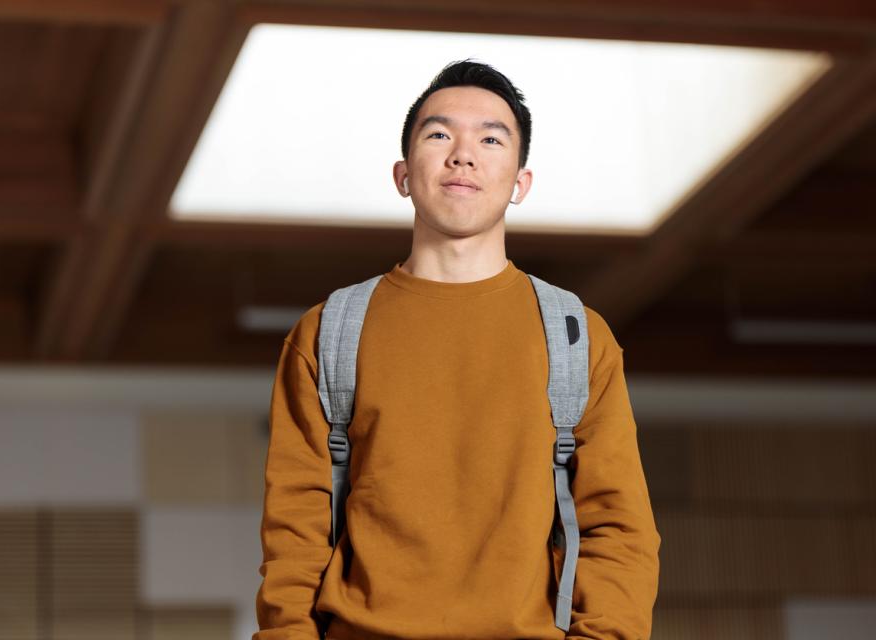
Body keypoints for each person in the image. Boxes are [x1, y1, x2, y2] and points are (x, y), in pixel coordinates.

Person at [254, 59, 661, 640]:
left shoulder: (575, 334)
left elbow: (618, 526)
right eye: (439, 134)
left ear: (520, 182)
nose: (463, 155)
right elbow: (293, 527)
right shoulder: (329, 331)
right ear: (402, 174)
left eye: (491, 139)